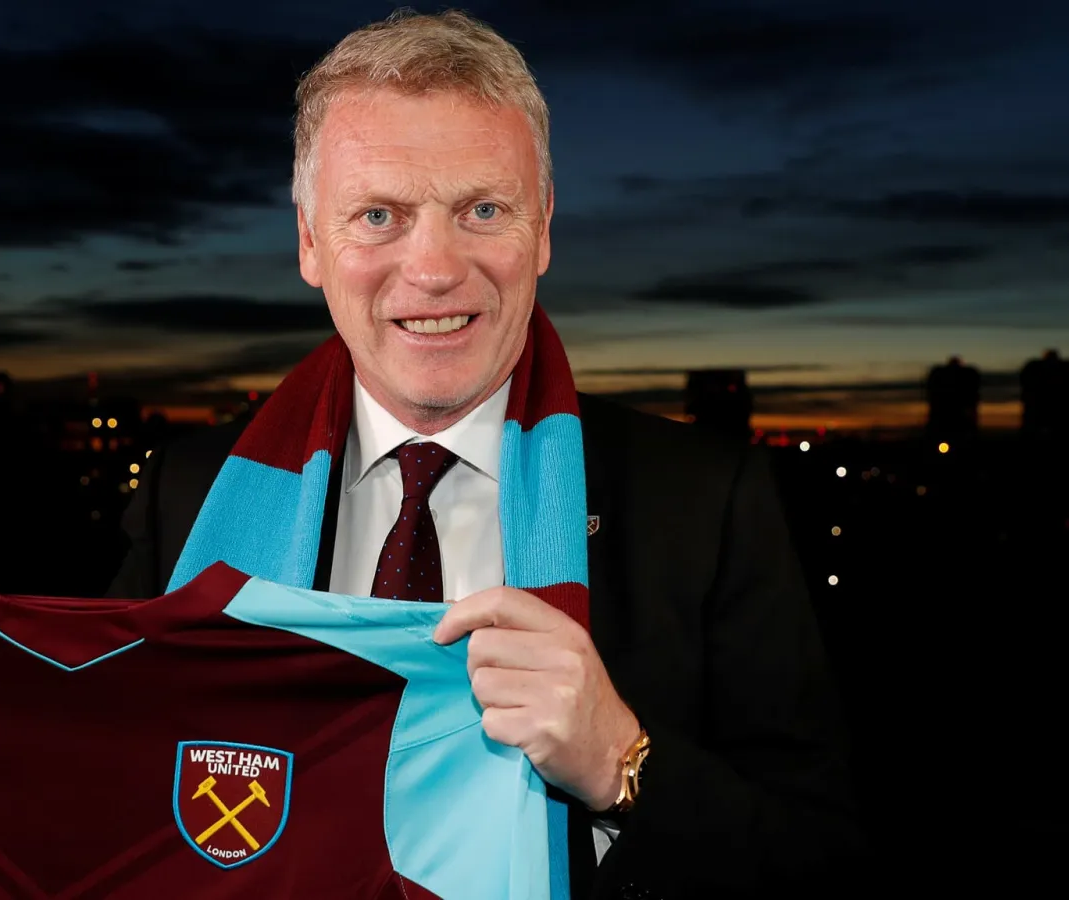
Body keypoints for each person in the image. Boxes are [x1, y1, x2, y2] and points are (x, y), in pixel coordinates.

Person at [107, 9, 864, 897]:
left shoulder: (706, 503)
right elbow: (103, 801)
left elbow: (823, 862)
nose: (434, 268)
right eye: (379, 214)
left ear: (542, 231)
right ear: (311, 242)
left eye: (483, 209)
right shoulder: (189, 494)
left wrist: (621, 762)